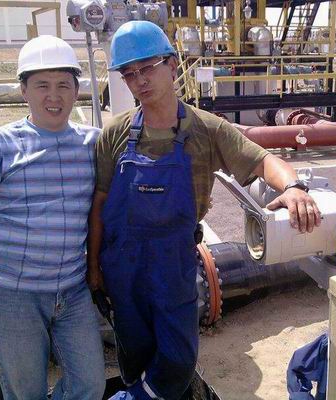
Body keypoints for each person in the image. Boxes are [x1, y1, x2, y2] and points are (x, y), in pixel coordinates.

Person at [88, 21, 322, 400]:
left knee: (178, 360)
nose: (139, 80)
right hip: (123, 266)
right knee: (133, 355)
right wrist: (94, 266)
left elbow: (263, 161)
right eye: (129, 74)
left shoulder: (206, 130)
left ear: (171, 65)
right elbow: (99, 204)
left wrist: (294, 188)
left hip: (174, 265)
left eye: (147, 68)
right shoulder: (115, 133)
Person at [0, 35, 105, 399]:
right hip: (14, 293)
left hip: (71, 290)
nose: (54, 96)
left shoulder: (93, 144)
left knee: (90, 384)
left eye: (63, 85)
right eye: (42, 85)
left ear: (77, 91)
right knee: (26, 392)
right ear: (24, 90)